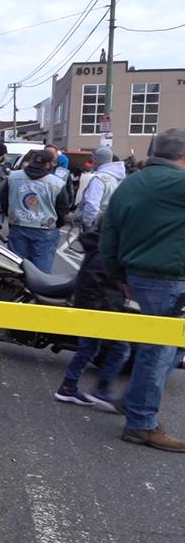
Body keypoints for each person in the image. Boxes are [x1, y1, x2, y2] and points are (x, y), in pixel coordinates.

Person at [100, 128, 185, 453]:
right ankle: (141, 422)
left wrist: (119, 275)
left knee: (167, 347)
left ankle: (136, 400)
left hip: (137, 275)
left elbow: (109, 232)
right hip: (169, 278)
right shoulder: (177, 183)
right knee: (159, 350)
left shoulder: (130, 182)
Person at [53, 221, 130, 411]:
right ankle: (101, 390)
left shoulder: (100, 246)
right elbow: (98, 287)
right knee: (121, 348)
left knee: (88, 349)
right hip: (100, 310)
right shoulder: (105, 253)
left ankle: (68, 387)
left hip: (92, 308)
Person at [7, 149, 69, 273]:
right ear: (48, 164)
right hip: (45, 228)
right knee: (41, 269)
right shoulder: (57, 183)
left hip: (18, 224)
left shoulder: (13, 177)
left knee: (16, 265)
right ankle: (36, 292)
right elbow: (63, 208)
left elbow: (4, 200)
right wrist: (57, 224)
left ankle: (15, 289)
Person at [75, 147, 124, 232]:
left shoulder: (99, 179)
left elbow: (92, 205)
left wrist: (87, 222)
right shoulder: (118, 177)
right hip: (110, 221)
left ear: (97, 161)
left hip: (96, 223)